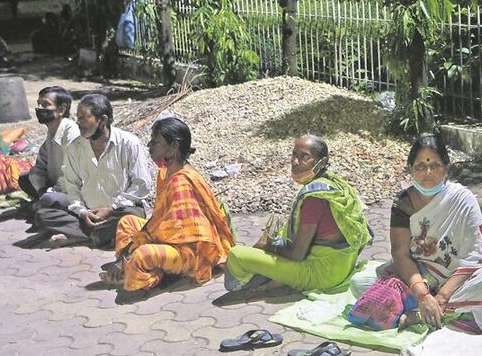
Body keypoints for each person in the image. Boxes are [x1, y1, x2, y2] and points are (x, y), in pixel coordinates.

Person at [351, 133, 482, 334]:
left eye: (434, 165)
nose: (427, 172)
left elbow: (473, 256)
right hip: (419, 275)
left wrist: (440, 297)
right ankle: (444, 310)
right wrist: (422, 294)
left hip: (457, 279)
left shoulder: (463, 199)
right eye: (420, 166)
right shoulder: (404, 202)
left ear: (446, 168)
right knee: (359, 283)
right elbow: (400, 254)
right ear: (410, 169)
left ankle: (423, 313)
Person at [100, 117, 235, 291]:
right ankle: (132, 267)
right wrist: (132, 247)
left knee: (143, 253)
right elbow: (159, 220)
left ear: (173, 147)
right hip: (170, 240)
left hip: (190, 254)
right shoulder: (165, 174)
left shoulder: (182, 182)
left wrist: (134, 248)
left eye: (155, 141)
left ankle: (146, 275)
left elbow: (170, 232)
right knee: (127, 222)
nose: (149, 145)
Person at [224, 135, 371, 293]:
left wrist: (267, 247)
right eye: (294, 154)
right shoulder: (335, 184)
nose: (295, 161)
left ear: (321, 163)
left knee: (236, 255)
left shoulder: (314, 199)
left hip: (321, 276)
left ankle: (274, 279)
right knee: (279, 235)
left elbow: (297, 255)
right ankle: (278, 275)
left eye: (304, 157)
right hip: (342, 266)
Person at [32, 93, 152, 248]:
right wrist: (82, 212)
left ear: (102, 120)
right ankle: (100, 234)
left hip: (118, 210)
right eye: (77, 117)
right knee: (44, 213)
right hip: (87, 213)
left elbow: (141, 186)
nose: (78, 122)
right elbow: (72, 185)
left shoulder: (129, 144)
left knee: (134, 214)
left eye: (83, 118)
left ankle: (87, 234)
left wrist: (110, 209)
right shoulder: (75, 147)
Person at [18, 86, 80, 200]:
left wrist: (49, 194)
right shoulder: (52, 132)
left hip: (73, 189)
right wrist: (42, 190)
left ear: (61, 110)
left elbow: (73, 175)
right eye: (38, 104)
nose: (39, 108)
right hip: (55, 187)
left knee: (47, 206)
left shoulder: (71, 133)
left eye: (45, 104)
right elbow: (40, 167)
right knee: (25, 179)